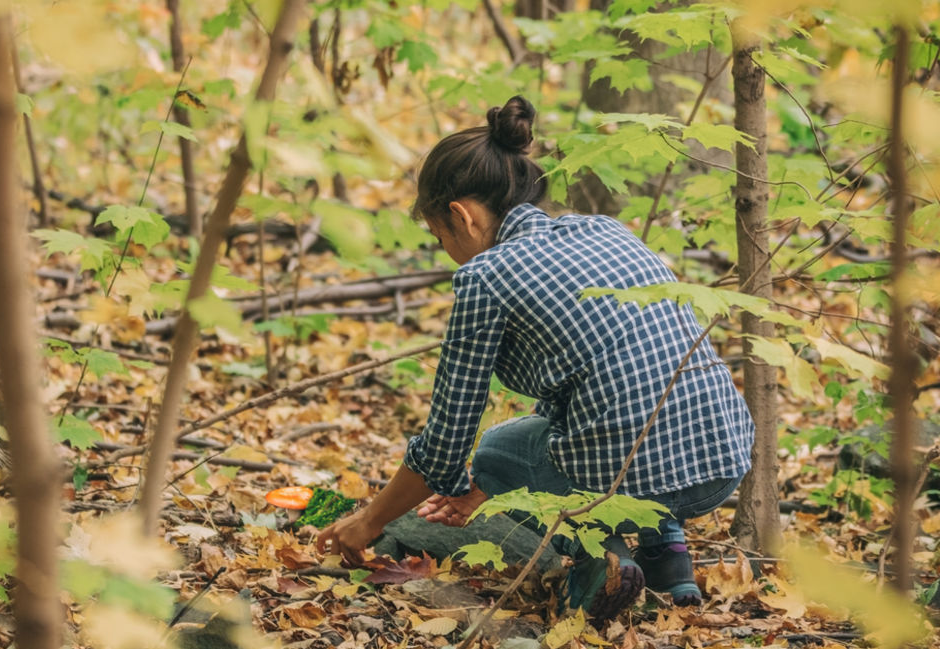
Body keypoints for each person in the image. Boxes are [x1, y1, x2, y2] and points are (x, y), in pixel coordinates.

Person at [316, 95, 754, 621]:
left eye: (439, 236)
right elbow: (598, 384)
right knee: (629, 417)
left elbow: (447, 443)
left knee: (500, 450)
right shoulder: (603, 230)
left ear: (462, 215)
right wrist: (478, 494)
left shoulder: (486, 276)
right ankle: (670, 562)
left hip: (638, 471)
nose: (446, 249)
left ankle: (602, 562)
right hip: (724, 455)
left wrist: (368, 520)